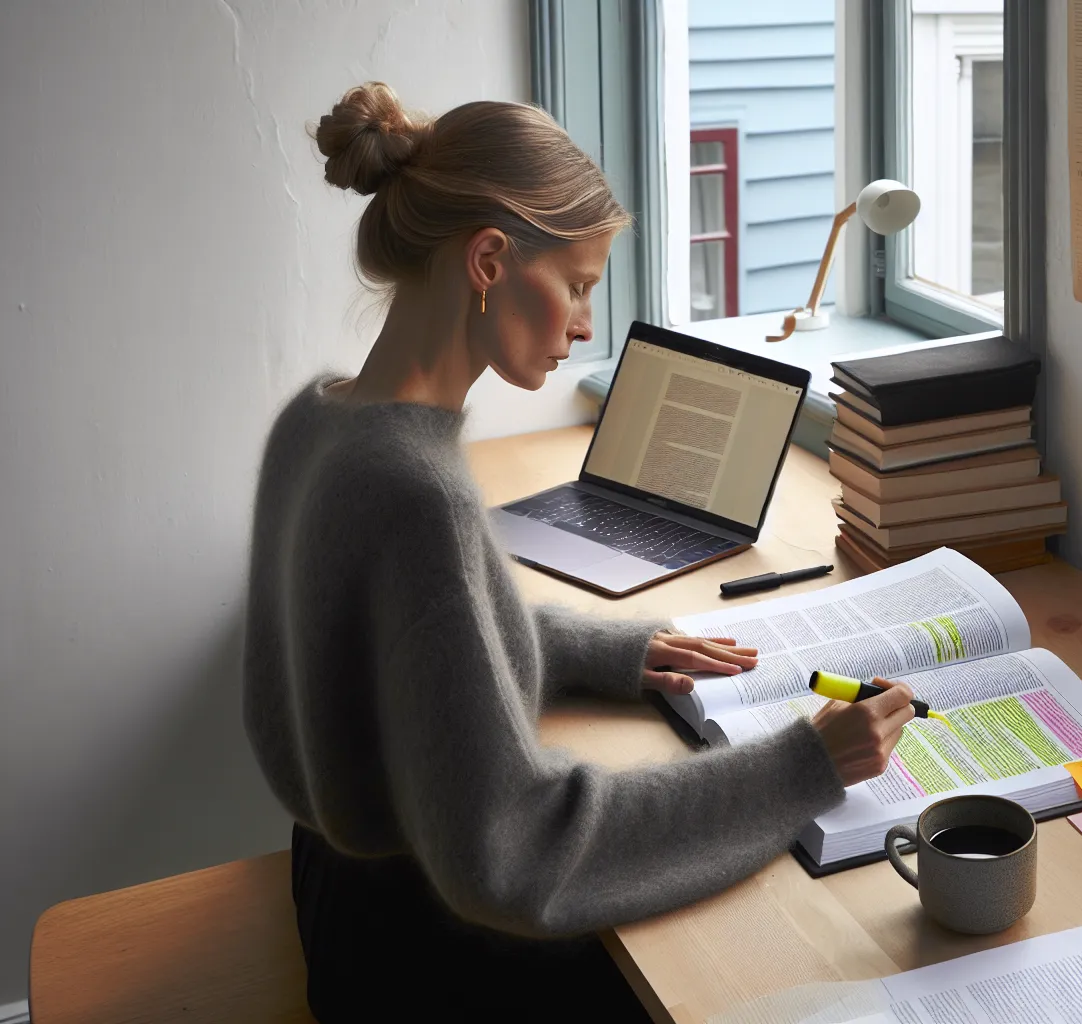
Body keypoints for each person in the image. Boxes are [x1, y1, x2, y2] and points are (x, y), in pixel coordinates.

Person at [242, 82, 917, 1023]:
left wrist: (604, 649)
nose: (587, 324)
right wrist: (802, 767)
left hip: (335, 901)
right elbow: (520, 850)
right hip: (421, 966)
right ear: (488, 262)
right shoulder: (417, 494)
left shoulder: (318, 422)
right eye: (579, 284)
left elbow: (411, 648)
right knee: (788, 973)